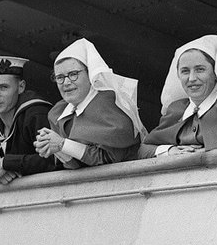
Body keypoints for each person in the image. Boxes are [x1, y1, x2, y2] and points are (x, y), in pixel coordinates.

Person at [36, 39, 145, 168]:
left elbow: (108, 159)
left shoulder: (109, 103)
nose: (66, 82)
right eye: (60, 77)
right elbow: (76, 166)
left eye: (73, 74)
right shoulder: (58, 112)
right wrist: (54, 146)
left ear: (89, 73)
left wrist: (62, 144)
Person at [140, 36, 217, 157]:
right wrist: (170, 151)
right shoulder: (177, 108)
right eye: (185, 71)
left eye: (200, 69)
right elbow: (143, 149)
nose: (192, 78)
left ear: (215, 73)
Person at [0, 56, 57, 184]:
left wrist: (7, 163)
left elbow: (53, 159)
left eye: (3, 87)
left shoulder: (36, 113)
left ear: (21, 87)